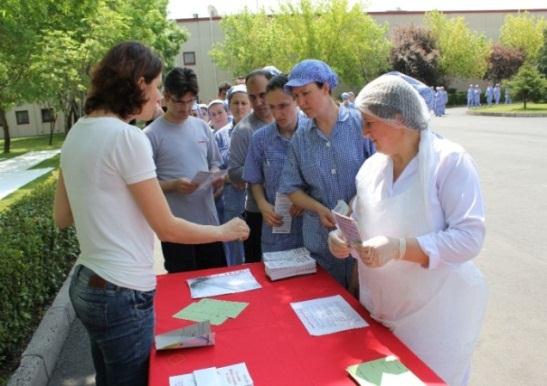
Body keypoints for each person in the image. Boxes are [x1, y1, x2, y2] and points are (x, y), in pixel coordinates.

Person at [54, 42, 249, 386]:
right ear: (139, 83)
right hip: (121, 290)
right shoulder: (129, 138)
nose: (159, 97)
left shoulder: (76, 133)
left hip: (87, 283)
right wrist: (224, 231)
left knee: (108, 378)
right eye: (157, 86)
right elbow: (167, 227)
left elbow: (63, 217)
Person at [328, 73, 487, 386]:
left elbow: (470, 237)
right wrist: (343, 239)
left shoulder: (449, 162)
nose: (363, 132)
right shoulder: (372, 169)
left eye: (370, 122)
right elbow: (360, 218)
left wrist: (400, 247)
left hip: (436, 316)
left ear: (398, 118)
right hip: (382, 309)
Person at [279, 59, 375, 288]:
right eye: (296, 96)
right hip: (319, 244)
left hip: (363, 239)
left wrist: (354, 208)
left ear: (325, 87)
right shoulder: (301, 136)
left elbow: (379, 176)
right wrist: (318, 209)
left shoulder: (359, 125)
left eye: (306, 93)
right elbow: (291, 187)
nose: (301, 102)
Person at [144, 67, 226, 273]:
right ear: (166, 97)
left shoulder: (202, 127)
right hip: (176, 229)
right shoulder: (151, 135)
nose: (186, 107)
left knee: (217, 282)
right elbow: (146, 186)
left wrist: (216, 177)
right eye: (180, 101)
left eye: (191, 101)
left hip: (209, 224)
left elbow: (214, 163)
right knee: (183, 289)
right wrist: (173, 185)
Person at [243, 74, 306, 253]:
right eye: (272, 107)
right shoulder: (260, 139)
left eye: (283, 106)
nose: (277, 114)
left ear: (296, 100)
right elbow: (254, 179)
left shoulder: (313, 133)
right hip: (277, 227)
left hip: (310, 226)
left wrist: (306, 200)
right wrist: (262, 204)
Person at [228, 68, 275, 263]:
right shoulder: (243, 131)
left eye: (263, 95)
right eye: (252, 97)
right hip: (258, 211)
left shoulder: (294, 120)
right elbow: (234, 172)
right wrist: (264, 170)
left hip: (294, 208)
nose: (258, 103)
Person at [215, 85, 252, 265]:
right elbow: (215, 169)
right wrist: (230, 177)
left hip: (255, 200)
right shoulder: (221, 136)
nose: (240, 107)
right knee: (233, 251)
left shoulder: (261, 131)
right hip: (231, 201)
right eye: (235, 103)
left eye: (244, 103)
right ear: (229, 106)